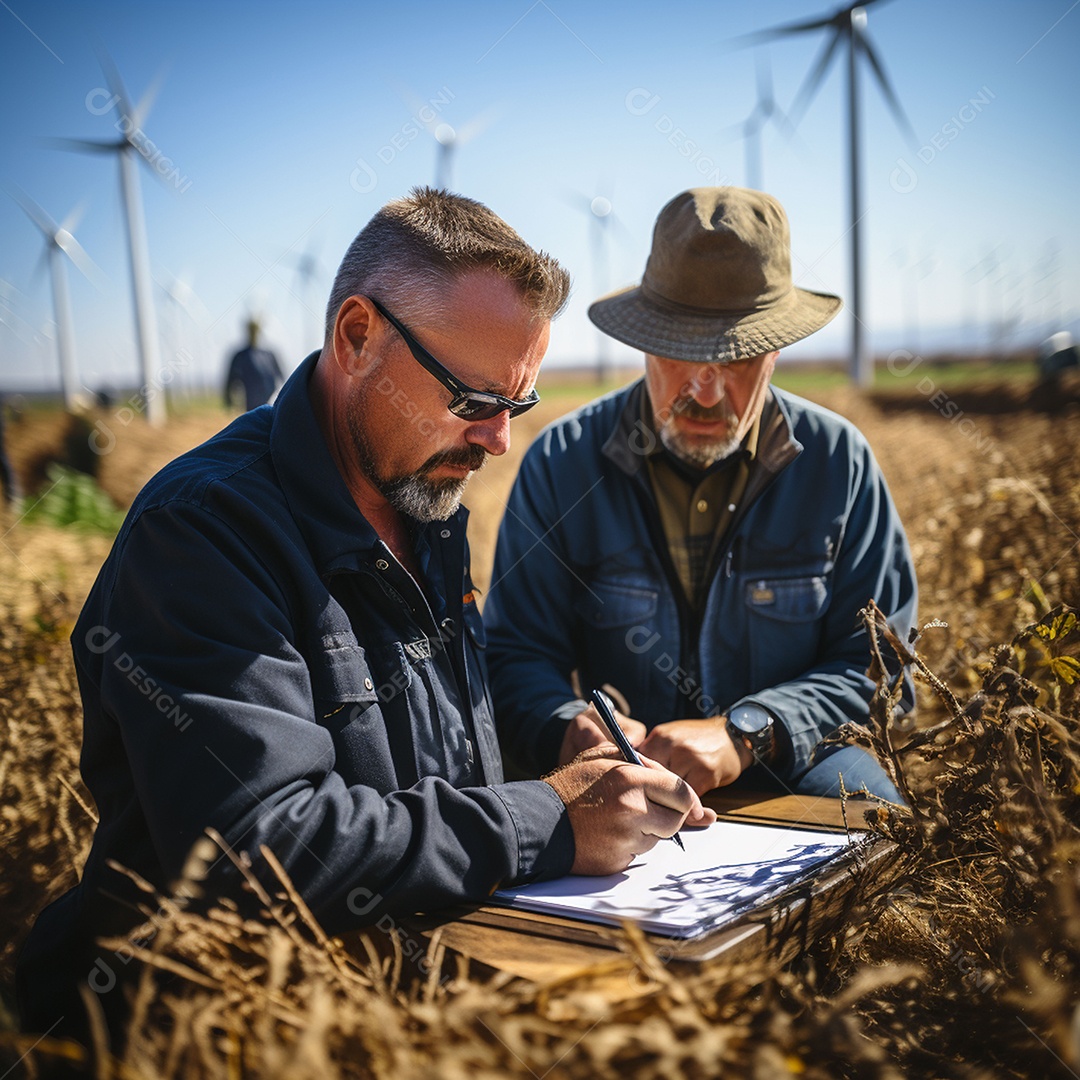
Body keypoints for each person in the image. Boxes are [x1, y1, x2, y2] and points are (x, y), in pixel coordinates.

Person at [16, 189, 713, 1043]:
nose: (499, 441)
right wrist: (550, 819)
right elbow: (261, 847)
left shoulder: (418, 492)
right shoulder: (203, 535)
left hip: (404, 1005)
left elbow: (424, 736)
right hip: (202, 1038)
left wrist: (557, 741)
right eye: (473, 399)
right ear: (356, 337)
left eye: (517, 405)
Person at [486, 187, 918, 803]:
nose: (706, 392)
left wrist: (751, 733)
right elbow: (515, 652)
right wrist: (569, 730)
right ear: (642, 343)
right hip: (623, 779)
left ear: (775, 350)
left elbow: (881, 670)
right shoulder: (561, 464)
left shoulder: (839, 464)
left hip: (795, 763)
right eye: (681, 354)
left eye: (735, 358)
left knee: (875, 823)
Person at [224, 317, 285, 410]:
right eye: (251, 330)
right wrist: (229, 399)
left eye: (255, 330)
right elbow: (231, 379)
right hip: (251, 405)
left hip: (271, 405)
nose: (253, 333)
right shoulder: (240, 356)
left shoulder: (269, 355)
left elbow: (281, 377)